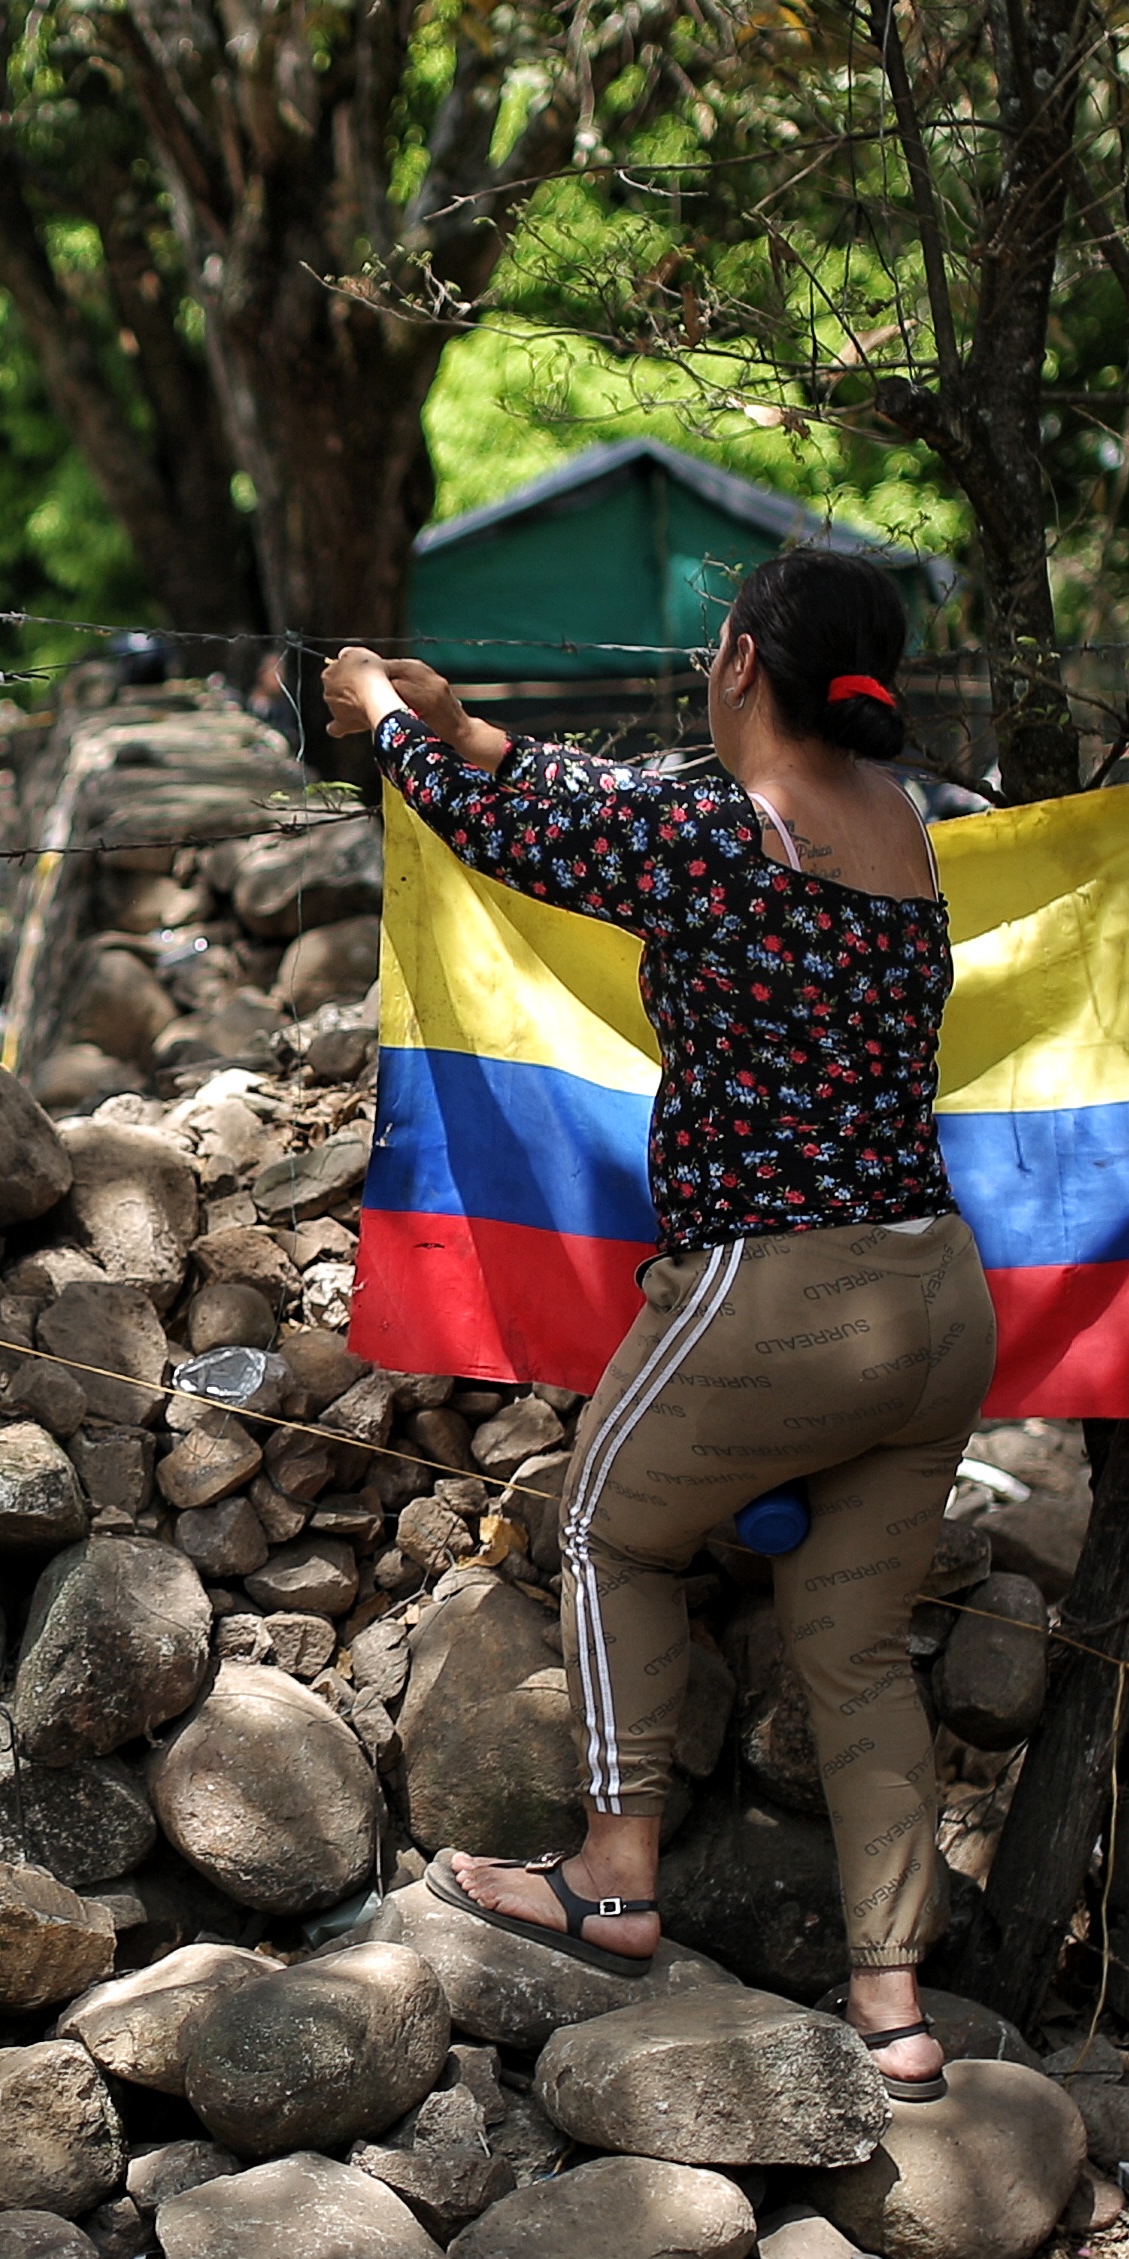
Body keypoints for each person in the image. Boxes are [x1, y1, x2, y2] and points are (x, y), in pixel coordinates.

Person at [323, 553, 995, 2093]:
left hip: (777, 1287)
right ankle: (896, 2013)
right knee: (860, 1654)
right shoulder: (904, 825)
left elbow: (519, 832)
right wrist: (470, 724)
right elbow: (592, 798)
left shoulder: (719, 831)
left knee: (612, 1534)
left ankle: (615, 1873)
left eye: (714, 646)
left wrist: (388, 725)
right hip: (938, 1297)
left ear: (743, 663)